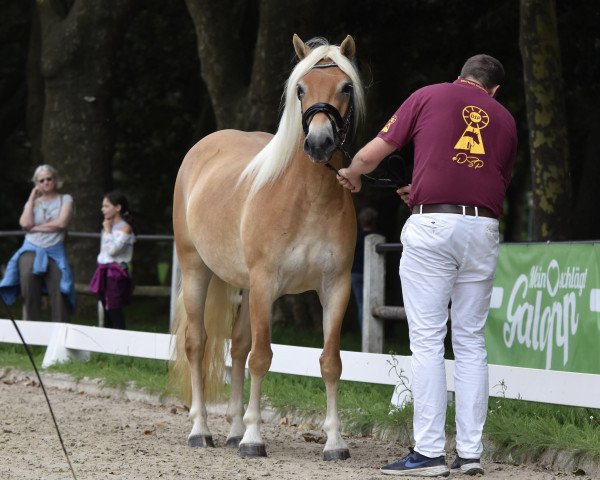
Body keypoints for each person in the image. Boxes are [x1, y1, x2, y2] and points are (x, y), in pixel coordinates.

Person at [337, 54, 517, 477]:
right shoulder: (506, 120)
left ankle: (430, 452)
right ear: (494, 90)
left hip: (433, 225)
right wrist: (420, 188)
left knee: (429, 341)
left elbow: (372, 154)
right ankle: (470, 454)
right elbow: (490, 179)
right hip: (483, 229)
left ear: (460, 76)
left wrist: (354, 172)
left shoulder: (428, 95)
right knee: (471, 342)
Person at [0, 165, 75, 321]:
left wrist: (35, 228)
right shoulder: (33, 202)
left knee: (60, 287)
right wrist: (31, 198)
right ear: (37, 183)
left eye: (49, 178)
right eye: (42, 180)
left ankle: (60, 334)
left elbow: (61, 223)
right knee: (28, 284)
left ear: (55, 179)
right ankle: (32, 333)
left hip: (55, 250)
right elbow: (25, 223)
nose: (46, 182)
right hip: (31, 248)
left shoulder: (65, 199)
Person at [88, 191, 135, 330]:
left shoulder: (125, 228)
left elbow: (113, 250)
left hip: (115, 272)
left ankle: (120, 337)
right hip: (103, 269)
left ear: (118, 207)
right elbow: (104, 251)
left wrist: (108, 231)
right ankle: (107, 340)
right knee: (104, 305)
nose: (103, 209)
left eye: (106, 206)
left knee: (114, 306)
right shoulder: (107, 226)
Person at [351, 207, 379, 332]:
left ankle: (365, 332)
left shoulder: (355, 237)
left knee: (361, 304)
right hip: (373, 273)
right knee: (374, 303)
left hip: (356, 273)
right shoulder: (379, 237)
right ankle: (373, 331)